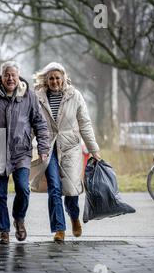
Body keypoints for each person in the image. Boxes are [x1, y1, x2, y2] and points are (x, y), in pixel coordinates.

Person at [0, 61, 50, 244]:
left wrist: (43, 147)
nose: (10, 78)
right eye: (7, 75)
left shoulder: (29, 96)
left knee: (23, 188)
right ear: (1, 76)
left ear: (18, 76)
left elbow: (39, 123)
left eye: (13, 75)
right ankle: (3, 230)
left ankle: (19, 219)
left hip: (21, 151)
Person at [30, 62, 101, 242]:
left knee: (70, 189)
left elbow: (84, 124)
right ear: (46, 80)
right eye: (51, 78)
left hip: (71, 147)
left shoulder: (75, 96)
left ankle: (74, 217)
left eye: (57, 78)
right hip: (48, 148)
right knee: (54, 188)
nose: (54, 81)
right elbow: (31, 124)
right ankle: (59, 229)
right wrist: (23, 146)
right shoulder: (37, 98)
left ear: (63, 79)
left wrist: (94, 150)